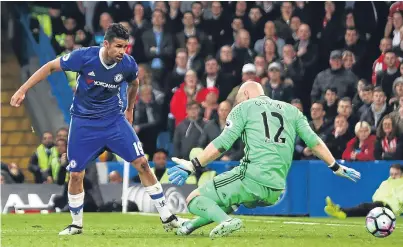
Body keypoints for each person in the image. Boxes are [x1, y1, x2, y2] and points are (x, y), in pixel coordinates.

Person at [10, 23, 183, 235]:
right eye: (118, 46)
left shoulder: (127, 64)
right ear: (106, 43)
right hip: (84, 124)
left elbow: (134, 83)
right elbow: (49, 67)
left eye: (125, 47)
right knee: (75, 174)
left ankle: (168, 217)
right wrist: (22, 89)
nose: (122, 51)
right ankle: (76, 224)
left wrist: (129, 110)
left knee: (143, 164)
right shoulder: (83, 57)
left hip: (114, 122)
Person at [167, 81, 360, 238]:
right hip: (276, 189)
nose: (236, 103)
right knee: (229, 202)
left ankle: (226, 221)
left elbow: (222, 143)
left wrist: (193, 164)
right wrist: (335, 166)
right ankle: (190, 227)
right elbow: (314, 142)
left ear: (246, 95)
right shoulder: (292, 111)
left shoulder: (244, 108)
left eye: (238, 99)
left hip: (251, 177)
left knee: (194, 199)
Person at [325, 164, 403, 218]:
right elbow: (376, 195)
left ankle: (339, 210)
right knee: (365, 209)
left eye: (396, 174)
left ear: (402, 174)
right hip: (380, 204)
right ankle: (341, 213)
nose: (393, 176)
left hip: (391, 209)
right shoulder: (385, 183)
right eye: (391, 174)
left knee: (364, 207)